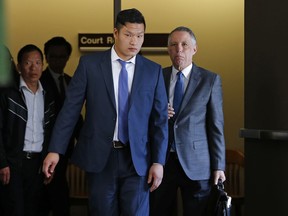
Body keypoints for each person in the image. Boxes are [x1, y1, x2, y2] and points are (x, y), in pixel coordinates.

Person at [42, 8, 168, 216]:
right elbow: (70, 110)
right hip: (101, 156)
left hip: (137, 159)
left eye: (140, 36)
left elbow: (160, 120)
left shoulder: (152, 70)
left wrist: (159, 161)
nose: (134, 41)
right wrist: (56, 149)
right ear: (115, 34)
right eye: (128, 35)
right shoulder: (90, 65)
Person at [150, 26, 226, 216]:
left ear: (194, 49)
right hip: (162, 161)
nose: (179, 50)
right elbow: (144, 116)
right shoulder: (157, 76)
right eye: (174, 45)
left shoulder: (210, 80)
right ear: (168, 50)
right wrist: (157, 113)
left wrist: (219, 166)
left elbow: (216, 126)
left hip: (197, 164)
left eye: (184, 44)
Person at [0, 44, 56, 216]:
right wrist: (2, 163)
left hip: (38, 163)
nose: (33, 68)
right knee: (15, 209)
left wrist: (49, 165)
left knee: (34, 208)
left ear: (43, 65)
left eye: (38, 62)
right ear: (18, 66)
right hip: (14, 162)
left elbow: (51, 131)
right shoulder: (8, 93)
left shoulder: (48, 94)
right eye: (28, 63)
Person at [40, 36, 83, 216]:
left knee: (58, 191)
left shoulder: (71, 80)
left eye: (62, 56)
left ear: (67, 58)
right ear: (47, 58)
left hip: (66, 147)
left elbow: (75, 115)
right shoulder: (39, 81)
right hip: (44, 147)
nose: (58, 60)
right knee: (51, 194)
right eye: (53, 56)